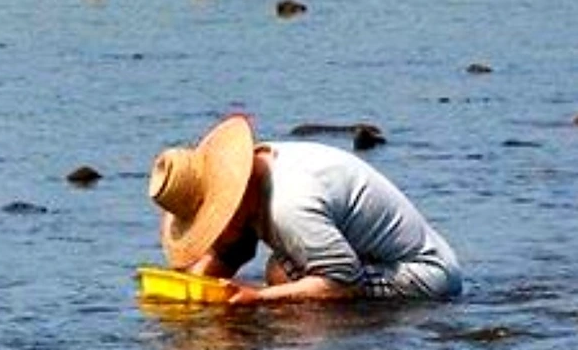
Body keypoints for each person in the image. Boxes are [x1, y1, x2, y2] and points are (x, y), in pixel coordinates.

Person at [147, 115, 462, 304]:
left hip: (425, 275)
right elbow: (232, 251)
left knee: (284, 280)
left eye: (212, 224)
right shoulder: (257, 170)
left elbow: (343, 281)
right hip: (369, 256)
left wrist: (257, 297)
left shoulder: (289, 205)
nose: (211, 235)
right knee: (282, 270)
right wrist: (190, 292)